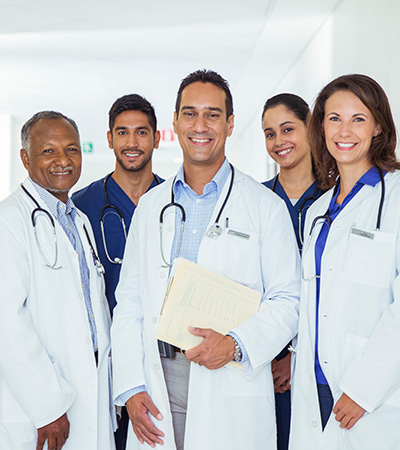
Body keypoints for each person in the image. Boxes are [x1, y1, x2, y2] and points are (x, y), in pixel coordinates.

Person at [111, 69, 301, 450]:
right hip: (158, 377)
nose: (201, 125)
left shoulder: (265, 207)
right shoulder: (151, 206)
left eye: (213, 114)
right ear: (175, 124)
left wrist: (234, 345)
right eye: (190, 113)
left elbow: (289, 300)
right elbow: (129, 300)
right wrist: (131, 385)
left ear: (230, 124)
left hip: (229, 375)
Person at [289, 74, 400, 450]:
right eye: (334, 118)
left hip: (371, 394)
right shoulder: (320, 209)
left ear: (378, 126)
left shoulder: (397, 197)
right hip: (314, 384)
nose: (344, 130)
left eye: (358, 118)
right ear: (321, 125)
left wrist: (364, 388)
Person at [0, 111, 116, 450]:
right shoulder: (9, 221)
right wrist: (47, 407)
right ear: (25, 158)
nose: (62, 161)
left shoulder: (78, 220)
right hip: (42, 408)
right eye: (48, 151)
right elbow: (7, 322)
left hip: (88, 389)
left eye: (72, 149)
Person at [73, 94, 163, 450]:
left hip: (160, 356)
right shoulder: (82, 205)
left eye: (142, 132)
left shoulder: (174, 200)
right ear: (109, 139)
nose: (132, 143)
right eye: (122, 133)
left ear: (157, 137)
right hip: (101, 356)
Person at [261, 93, 324, 450]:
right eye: (270, 134)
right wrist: (272, 350)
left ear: (310, 127)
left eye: (287, 129)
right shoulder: (255, 200)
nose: (278, 141)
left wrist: (295, 354)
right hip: (263, 358)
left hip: (317, 355)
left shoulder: (334, 198)